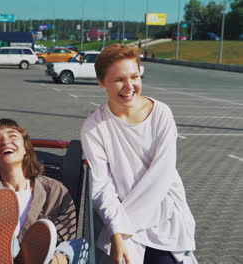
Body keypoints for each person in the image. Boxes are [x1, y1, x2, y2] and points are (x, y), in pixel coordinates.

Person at [80, 44, 197, 264]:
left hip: (165, 219)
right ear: (101, 83)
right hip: (119, 222)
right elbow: (102, 186)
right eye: (118, 80)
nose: (129, 86)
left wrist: (121, 231)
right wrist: (116, 231)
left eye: (134, 76)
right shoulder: (94, 126)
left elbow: (160, 177)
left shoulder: (161, 113)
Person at [0, 94, 89, 264]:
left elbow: (65, 237)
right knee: (2, 234)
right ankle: (10, 254)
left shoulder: (55, 191)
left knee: (79, 245)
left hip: (47, 259)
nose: (5, 141)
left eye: (13, 136)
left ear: (26, 148)